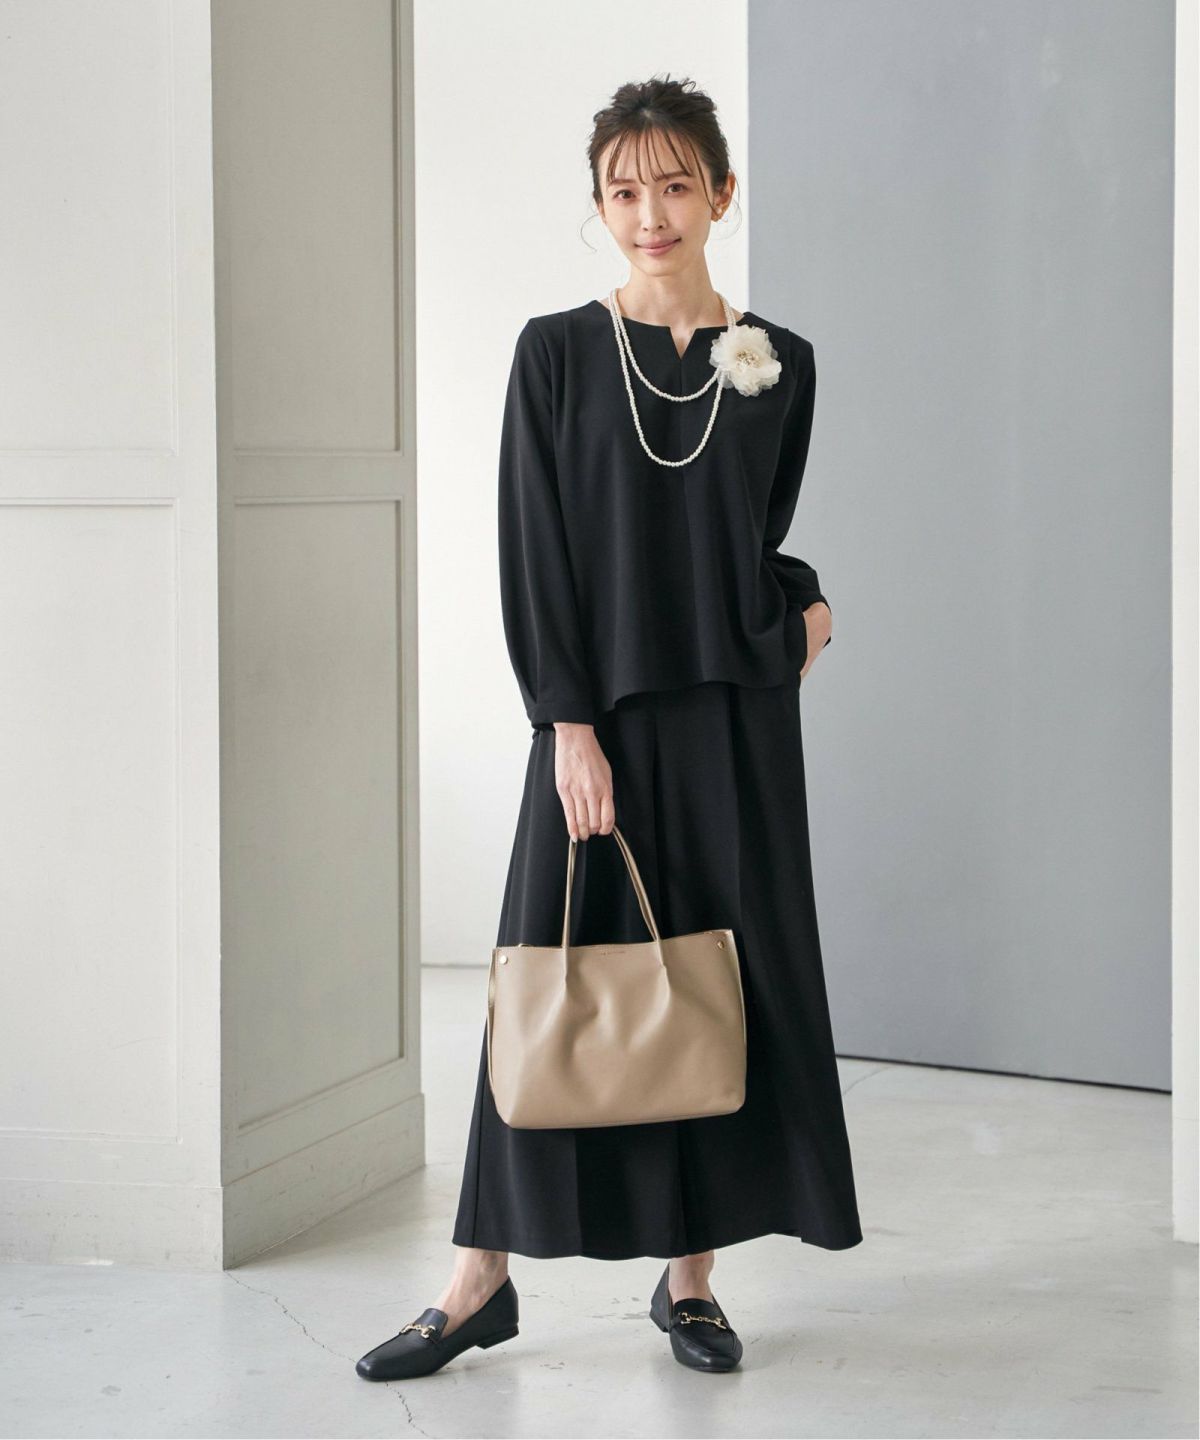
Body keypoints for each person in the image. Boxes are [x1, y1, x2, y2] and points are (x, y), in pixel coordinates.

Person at [356, 73, 862, 1382]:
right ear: (600, 204)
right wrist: (565, 724)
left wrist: (798, 616)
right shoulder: (557, 354)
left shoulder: (781, 363)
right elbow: (537, 551)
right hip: (600, 723)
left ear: (721, 194)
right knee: (550, 978)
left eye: (675, 185)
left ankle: (691, 1281)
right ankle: (478, 1281)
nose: (651, 214)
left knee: (714, 991)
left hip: (735, 726)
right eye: (624, 191)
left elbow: (750, 544)